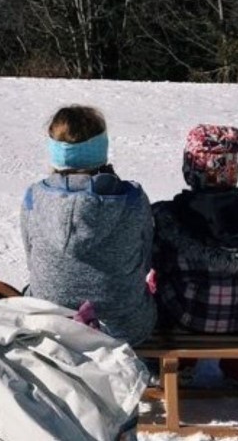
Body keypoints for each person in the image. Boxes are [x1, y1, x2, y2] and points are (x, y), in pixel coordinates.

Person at [152, 124, 238, 386]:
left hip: (188, 319)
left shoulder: (169, 216)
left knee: (158, 283)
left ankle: (180, 365)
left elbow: (154, 259)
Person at [19, 105, 157, 345]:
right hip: (123, 329)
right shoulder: (133, 199)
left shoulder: (35, 197)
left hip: (48, 326)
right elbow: (144, 259)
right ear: (101, 148)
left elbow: (32, 259)